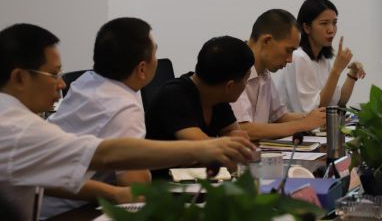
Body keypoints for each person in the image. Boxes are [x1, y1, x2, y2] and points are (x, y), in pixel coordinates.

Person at [0, 23, 255, 221]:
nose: (61, 83)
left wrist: (113, 193)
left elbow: (48, 175)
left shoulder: (88, 83)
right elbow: (107, 155)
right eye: (53, 73)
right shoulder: (18, 126)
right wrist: (204, 148)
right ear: (20, 78)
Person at [40, 17, 157, 218]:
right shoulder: (123, 108)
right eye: (155, 52)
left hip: (40, 202)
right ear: (141, 69)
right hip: (69, 212)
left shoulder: (88, 80)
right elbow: (135, 188)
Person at [145, 36, 253, 177]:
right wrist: (228, 147)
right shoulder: (174, 95)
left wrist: (232, 144)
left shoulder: (217, 95)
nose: (246, 85)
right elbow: (205, 148)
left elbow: (235, 137)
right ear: (230, 86)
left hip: (197, 180)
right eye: (246, 79)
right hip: (165, 185)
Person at [230, 9, 326, 140]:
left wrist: (316, 119)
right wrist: (303, 124)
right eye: (288, 50)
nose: (290, 59)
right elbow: (243, 129)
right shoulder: (234, 66)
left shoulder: (264, 72)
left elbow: (279, 117)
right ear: (266, 41)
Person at [275, 0, 365, 113]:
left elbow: (339, 102)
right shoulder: (299, 58)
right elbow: (314, 112)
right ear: (307, 28)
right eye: (324, 23)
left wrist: (352, 74)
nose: (331, 30)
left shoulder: (323, 60)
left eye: (334, 23)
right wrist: (336, 70)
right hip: (293, 125)